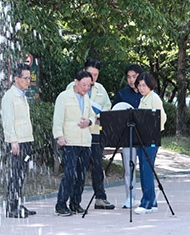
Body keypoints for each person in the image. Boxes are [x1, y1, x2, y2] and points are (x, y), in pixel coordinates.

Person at [65, 59, 114, 210]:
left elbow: (107, 107)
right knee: (78, 169)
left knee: (97, 165)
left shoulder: (100, 89)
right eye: (90, 74)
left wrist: (97, 117)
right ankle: (72, 201)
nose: (93, 79)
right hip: (77, 133)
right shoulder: (71, 88)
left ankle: (100, 197)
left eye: (96, 75)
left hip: (95, 131)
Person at [53, 70, 96, 216]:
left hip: (84, 141)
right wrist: (59, 136)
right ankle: (61, 204)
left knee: (81, 175)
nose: (86, 88)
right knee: (70, 174)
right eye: (84, 85)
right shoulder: (64, 97)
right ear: (76, 82)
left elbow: (92, 115)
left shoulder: (87, 98)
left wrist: (89, 121)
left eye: (89, 85)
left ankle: (75, 203)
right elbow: (58, 118)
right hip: (70, 141)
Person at [0, 63, 36, 218]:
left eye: (29, 78)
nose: (28, 81)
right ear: (16, 79)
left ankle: (18, 203)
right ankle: (11, 207)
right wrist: (13, 141)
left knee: (22, 174)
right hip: (17, 141)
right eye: (25, 78)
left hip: (25, 139)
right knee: (15, 174)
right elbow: (8, 121)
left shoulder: (22, 95)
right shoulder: (10, 96)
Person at [133, 72, 167, 215]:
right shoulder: (143, 99)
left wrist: (151, 130)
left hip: (150, 140)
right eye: (139, 85)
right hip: (142, 139)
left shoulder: (154, 98)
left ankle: (146, 203)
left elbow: (161, 118)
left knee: (146, 170)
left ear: (150, 85)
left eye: (144, 85)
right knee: (145, 170)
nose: (141, 88)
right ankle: (152, 202)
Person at [111, 64, 144, 208]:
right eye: (129, 77)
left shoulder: (146, 92)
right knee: (128, 167)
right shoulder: (122, 94)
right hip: (127, 136)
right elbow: (115, 113)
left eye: (134, 77)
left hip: (144, 136)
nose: (131, 80)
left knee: (145, 168)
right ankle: (130, 197)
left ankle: (148, 197)